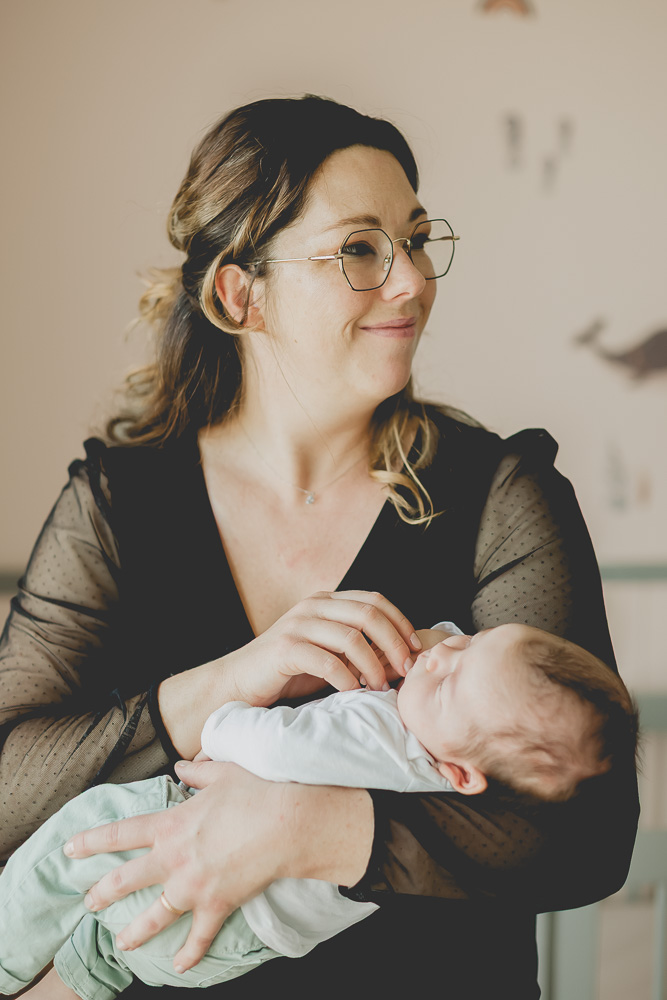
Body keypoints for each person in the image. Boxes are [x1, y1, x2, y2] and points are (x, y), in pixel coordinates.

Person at [0, 95, 639, 1000]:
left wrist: (312, 827)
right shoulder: (116, 505)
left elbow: (589, 837)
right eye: (361, 250)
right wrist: (218, 686)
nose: (414, 280)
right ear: (239, 294)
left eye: (415, 240)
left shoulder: (499, 497)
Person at [0, 623, 638, 999]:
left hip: (200, 884)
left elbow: (274, 742)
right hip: (220, 947)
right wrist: (448, 658)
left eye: (446, 679)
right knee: (108, 941)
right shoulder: (443, 773)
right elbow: (460, 663)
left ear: (462, 773)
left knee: (79, 843)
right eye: (470, 641)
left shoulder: (382, 736)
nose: (439, 654)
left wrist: (220, 726)